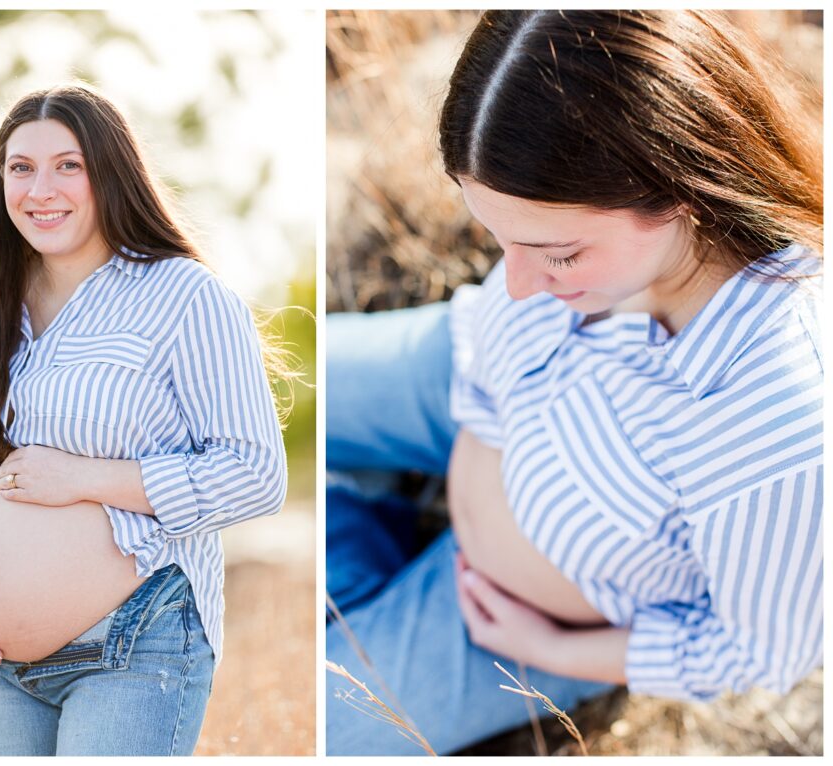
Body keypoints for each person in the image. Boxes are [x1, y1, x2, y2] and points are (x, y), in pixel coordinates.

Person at [326, 10, 822, 755]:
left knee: (329, 728)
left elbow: (759, 649)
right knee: (251, 379)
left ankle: (364, 519)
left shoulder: (783, 427)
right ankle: (365, 518)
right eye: (499, 243)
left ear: (683, 189)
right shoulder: (589, 263)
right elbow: (514, 303)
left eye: (554, 253)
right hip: (461, 381)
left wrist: (554, 650)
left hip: (509, 617)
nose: (516, 284)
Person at [0, 84, 288, 756]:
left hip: (136, 642)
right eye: (20, 167)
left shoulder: (186, 297)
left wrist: (85, 478)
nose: (40, 188)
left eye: (68, 165)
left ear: (110, 172)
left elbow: (255, 476)